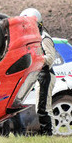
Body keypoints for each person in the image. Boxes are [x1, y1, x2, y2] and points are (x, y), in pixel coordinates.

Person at [20, 8, 56, 136]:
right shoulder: (34, 38)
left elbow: (51, 58)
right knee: (40, 107)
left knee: (44, 108)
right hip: (40, 74)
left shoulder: (44, 38)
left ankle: (49, 134)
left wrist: (36, 59)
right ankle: (46, 133)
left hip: (46, 74)